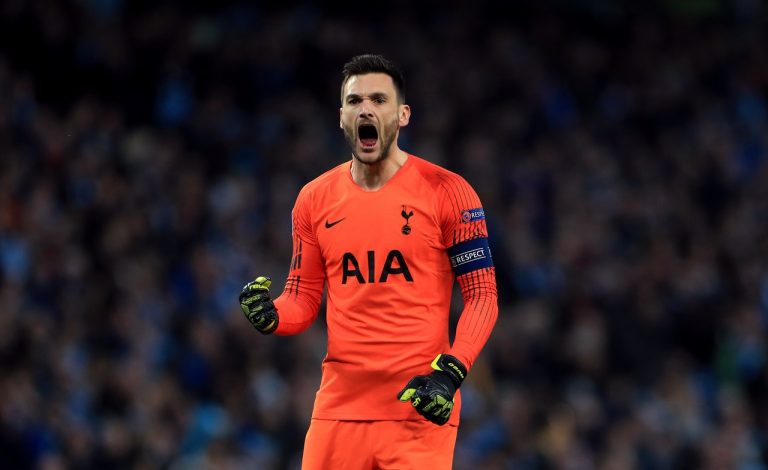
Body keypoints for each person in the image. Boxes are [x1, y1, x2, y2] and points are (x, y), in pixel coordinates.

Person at [238, 54, 498, 469]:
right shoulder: (313, 200)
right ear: (341, 116)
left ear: (403, 115)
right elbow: (302, 298)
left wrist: (451, 373)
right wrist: (274, 316)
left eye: (379, 100)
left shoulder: (449, 192)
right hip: (339, 410)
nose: (366, 110)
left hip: (419, 405)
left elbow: (482, 296)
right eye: (355, 101)